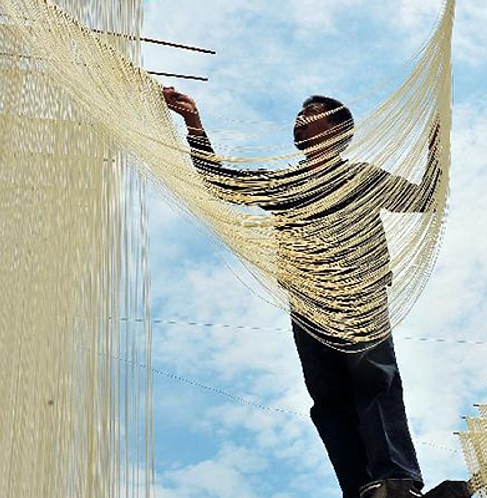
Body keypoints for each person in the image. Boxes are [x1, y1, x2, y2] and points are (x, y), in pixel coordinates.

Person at [163, 86, 442, 498]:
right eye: (299, 114)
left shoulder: (359, 176)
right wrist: (194, 124)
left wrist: (436, 149)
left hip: (358, 289)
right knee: (328, 397)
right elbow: (224, 184)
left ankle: (397, 479)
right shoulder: (287, 182)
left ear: (338, 130)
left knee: (373, 379)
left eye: (311, 114)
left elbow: (423, 197)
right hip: (306, 297)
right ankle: (360, 488)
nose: (300, 120)